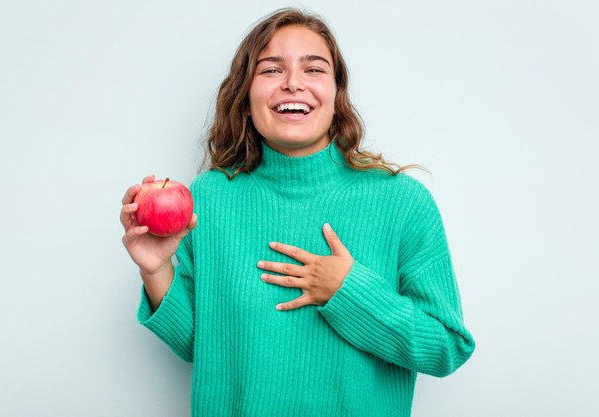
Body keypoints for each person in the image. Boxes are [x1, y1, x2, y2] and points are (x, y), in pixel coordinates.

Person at [120, 8, 475, 417]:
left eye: (314, 69)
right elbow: (208, 350)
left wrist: (347, 291)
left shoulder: (402, 202)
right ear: (247, 99)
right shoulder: (210, 198)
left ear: (337, 95)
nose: (293, 83)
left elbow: (447, 347)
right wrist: (155, 269)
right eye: (271, 70)